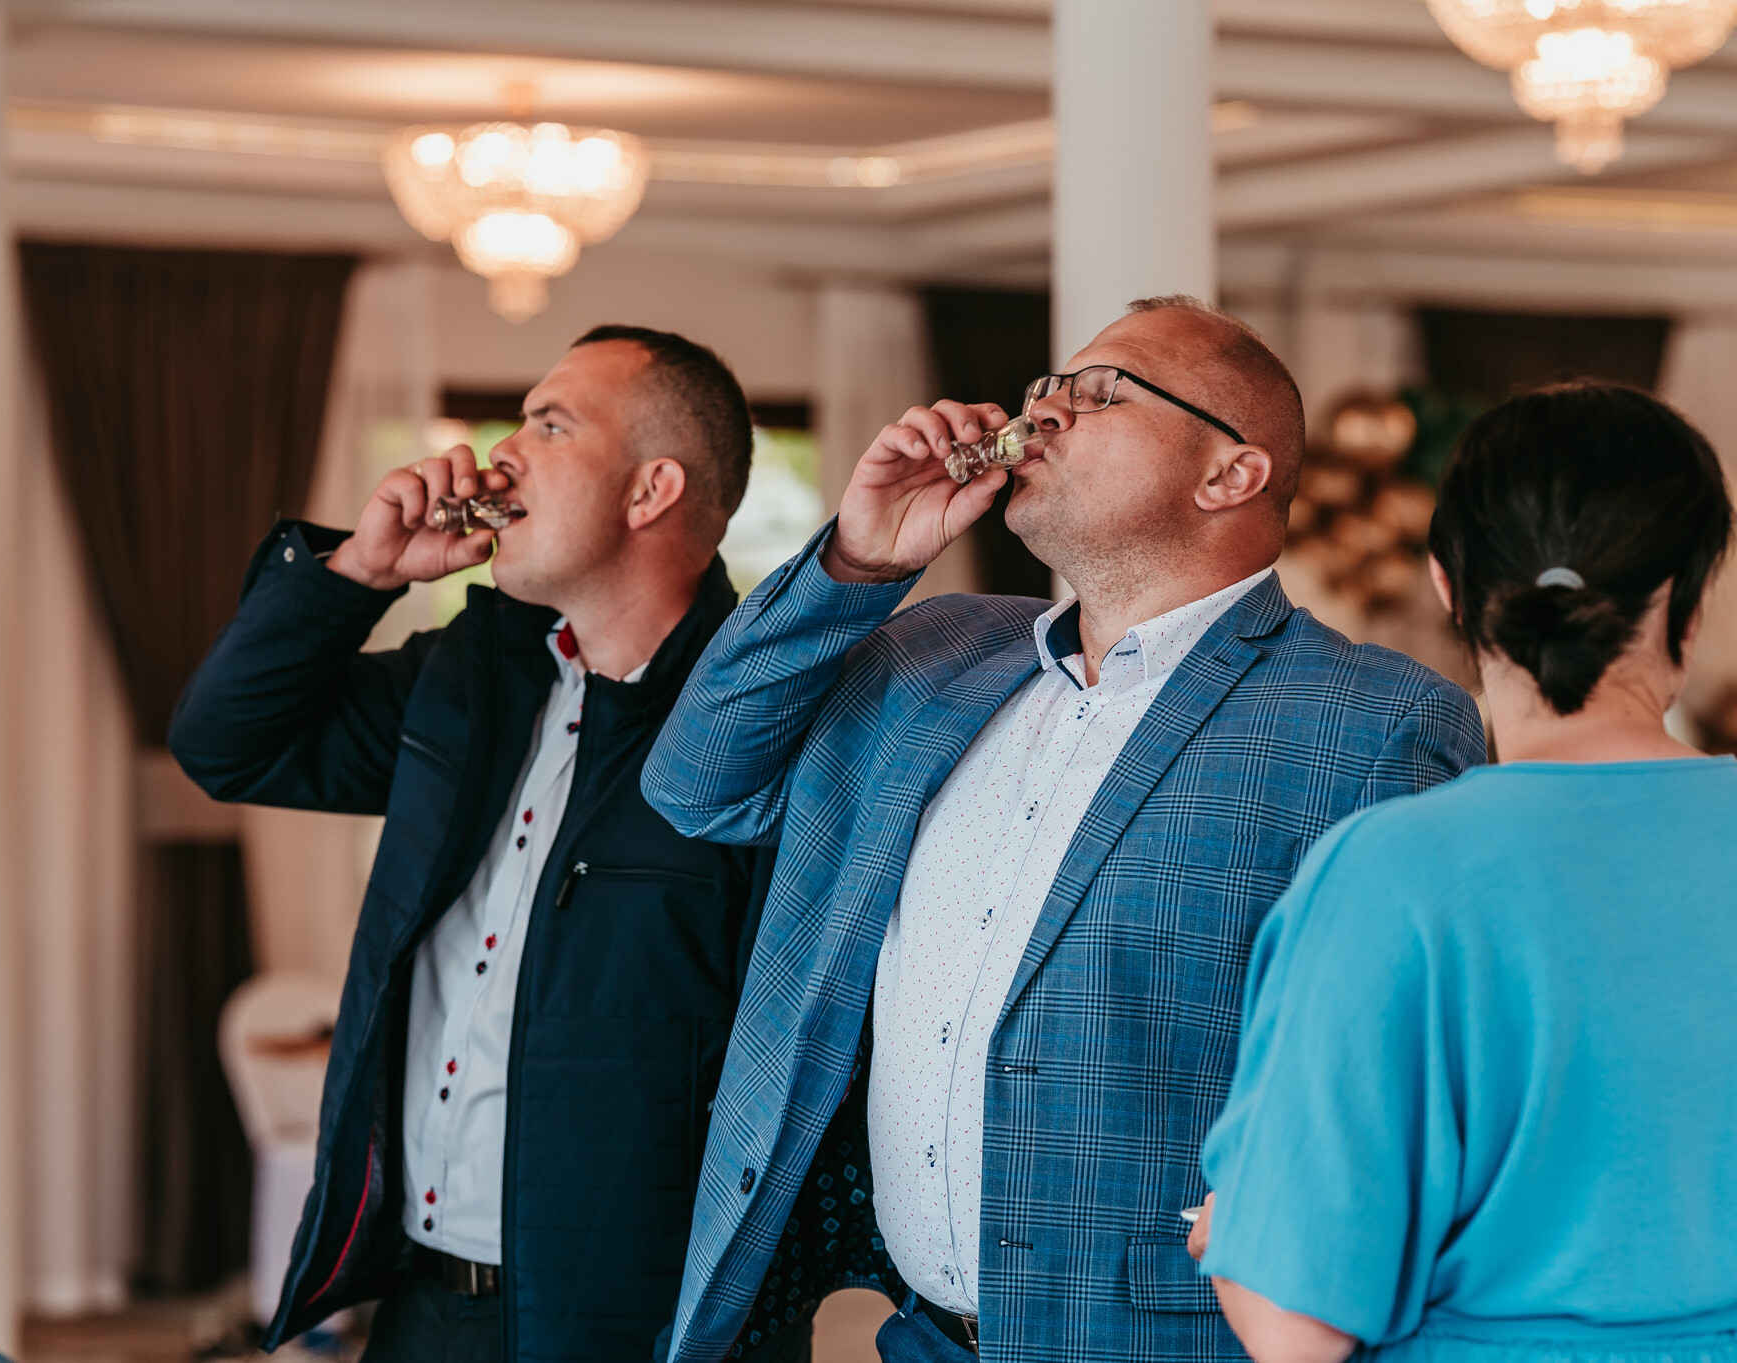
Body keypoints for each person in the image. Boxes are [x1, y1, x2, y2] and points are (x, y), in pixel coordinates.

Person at [641, 296, 1489, 1363]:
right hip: (916, 1337)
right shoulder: (933, 652)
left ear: (1230, 473)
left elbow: (1421, 1083)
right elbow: (697, 783)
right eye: (1046, 386)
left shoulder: (1375, 724)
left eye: (1098, 394)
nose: (1040, 411)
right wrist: (858, 561)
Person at [168, 325, 777, 1363]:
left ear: (650, 490)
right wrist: (360, 570)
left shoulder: (763, 720)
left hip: (630, 1328)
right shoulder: (469, 678)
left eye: (550, 425)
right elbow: (226, 745)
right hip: (419, 1303)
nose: (502, 454)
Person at [1188, 383, 1737, 1363]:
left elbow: (1297, 1329)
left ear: (1448, 585)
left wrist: (1241, 1231)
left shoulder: (1390, 874)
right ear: (1690, 600)